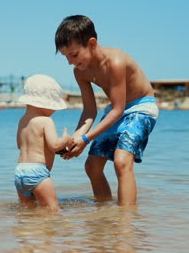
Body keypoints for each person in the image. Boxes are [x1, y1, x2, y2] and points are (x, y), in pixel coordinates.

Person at [54, 15, 159, 206]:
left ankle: (125, 222)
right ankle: (103, 214)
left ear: (92, 43)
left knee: (121, 161)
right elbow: (89, 111)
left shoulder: (115, 61)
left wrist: (86, 140)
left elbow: (118, 110)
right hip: (115, 110)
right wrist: (76, 138)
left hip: (141, 108)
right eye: (66, 57)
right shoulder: (80, 71)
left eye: (74, 54)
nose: (70, 61)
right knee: (92, 166)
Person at [14, 74, 71, 211]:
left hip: (20, 171)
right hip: (37, 172)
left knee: (27, 210)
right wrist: (66, 139)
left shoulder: (22, 120)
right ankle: (47, 232)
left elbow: (19, 145)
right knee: (53, 210)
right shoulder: (46, 121)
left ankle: (28, 231)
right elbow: (55, 145)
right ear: (45, 103)